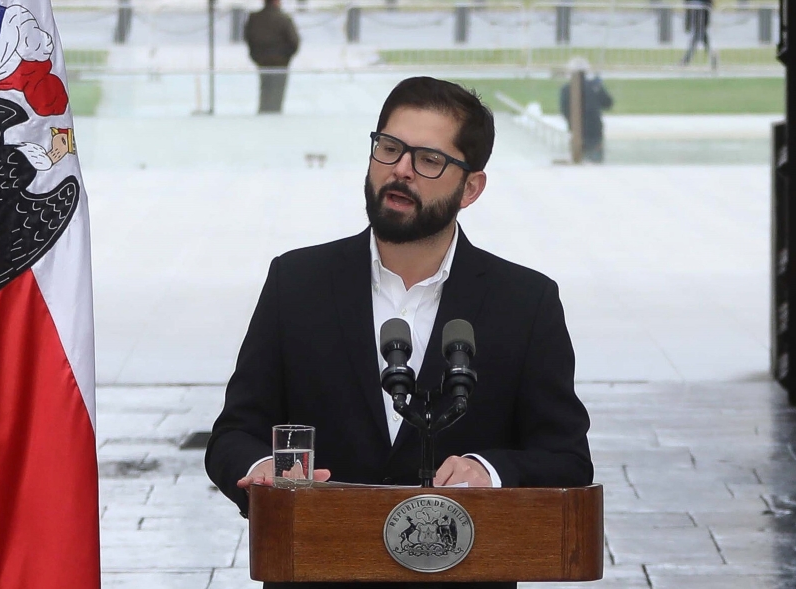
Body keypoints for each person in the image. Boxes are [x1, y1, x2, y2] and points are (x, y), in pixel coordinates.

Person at [205, 76, 593, 588]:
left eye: (428, 159)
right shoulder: (295, 282)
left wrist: (489, 471)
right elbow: (234, 433)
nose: (401, 169)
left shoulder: (525, 302)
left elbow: (567, 459)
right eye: (389, 148)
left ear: (470, 188)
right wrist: (262, 470)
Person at [244, 0, 299, 113]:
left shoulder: (255, 18)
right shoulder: (283, 19)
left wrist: (256, 55)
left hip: (262, 61)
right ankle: (274, 115)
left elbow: (248, 38)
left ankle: (265, 112)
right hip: (280, 62)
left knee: (265, 89)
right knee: (277, 92)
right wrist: (285, 56)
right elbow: (294, 42)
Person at [559, 58, 613, 163]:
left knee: (578, 162)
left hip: (576, 132)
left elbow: (564, 110)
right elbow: (608, 103)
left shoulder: (566, 89)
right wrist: (600, 88)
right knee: (596, 163)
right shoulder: (594, 86)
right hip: (595, 132)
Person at [680, 0, 713, 65]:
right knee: (701, 34)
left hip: (702, 10)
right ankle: (712, 56)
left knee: (699, 33)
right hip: (695, 9)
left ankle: (686, 59)